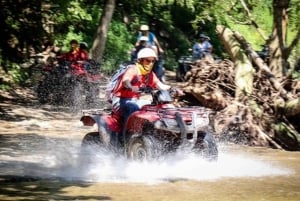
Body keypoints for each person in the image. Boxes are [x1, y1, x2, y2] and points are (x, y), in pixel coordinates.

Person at [111, 47, 171, 135]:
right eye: (147, 60)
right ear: (140, 61)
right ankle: (125, 138)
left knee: (153, 108)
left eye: (153, 61)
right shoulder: (133, 70)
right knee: (133, 108)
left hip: (136, 100)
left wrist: (172, 88)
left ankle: (151, 132)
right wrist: (130, 86)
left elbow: (160, 85)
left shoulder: (149, 74)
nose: (150, 64)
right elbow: (125, 81)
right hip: (120, 100)